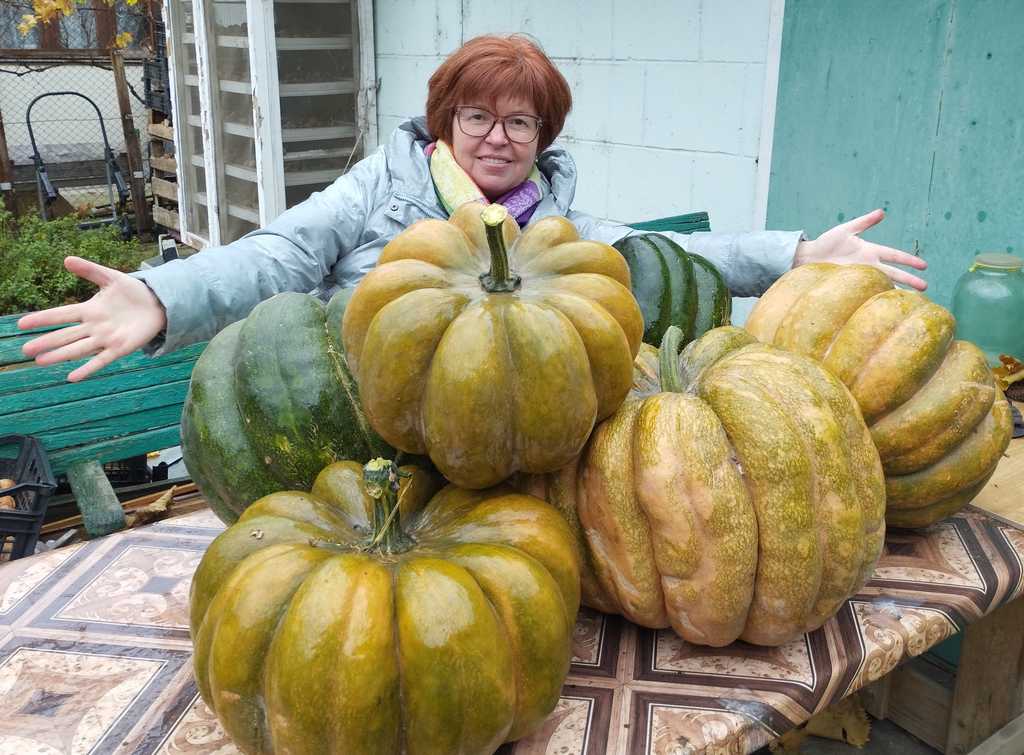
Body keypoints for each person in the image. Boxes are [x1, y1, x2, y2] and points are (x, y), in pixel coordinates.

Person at [19, 34, 926, 382]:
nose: (498, 136)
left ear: (543, 137)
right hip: (363, 418)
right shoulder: (382, 185)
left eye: (521, 121)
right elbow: (280, 255)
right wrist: (164, 293)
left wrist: (795, 255)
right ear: (446, 121)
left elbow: (651, 250)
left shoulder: (549, 228)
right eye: (478, 116)